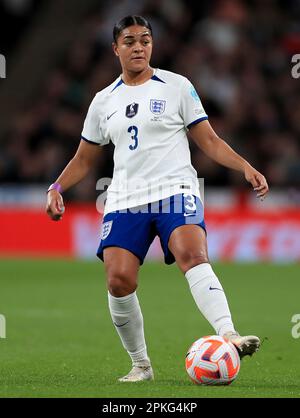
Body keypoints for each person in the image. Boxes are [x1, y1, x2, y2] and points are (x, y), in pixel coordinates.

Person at [46, 15, 269, 383]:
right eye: (130, 41)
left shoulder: (177, 86)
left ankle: (228, 334)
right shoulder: (104, 101)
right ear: (115, 48)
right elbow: (84, 158)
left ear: (152, 45)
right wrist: (56, 187)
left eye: (145, 40)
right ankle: (141, 365)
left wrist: (244, 166)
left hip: (175, 191)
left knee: (192, 254)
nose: (138, 47)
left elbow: (209, 141)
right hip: (124, 198)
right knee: (118, 281)